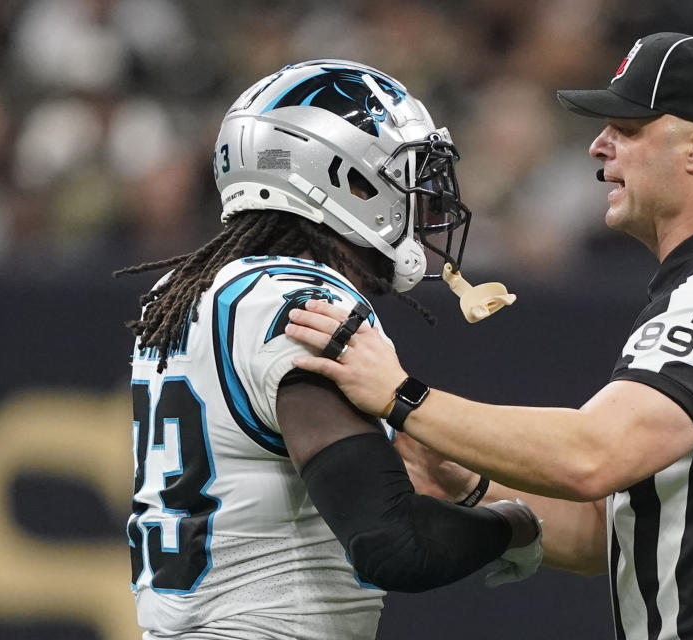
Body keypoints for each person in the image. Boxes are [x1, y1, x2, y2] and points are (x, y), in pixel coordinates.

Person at [283, 34, 693, 640]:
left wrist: (402, 397)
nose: (599, 146)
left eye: (628, 126)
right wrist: (472, 484)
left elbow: (594, 455)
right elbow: (606, 535)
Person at [116, 60, 541, 640]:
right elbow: (393, 546)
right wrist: (516, 525)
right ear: (345, 179)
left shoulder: (186, 292)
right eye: (403, 173)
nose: (424, 196)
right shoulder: (301, 303)